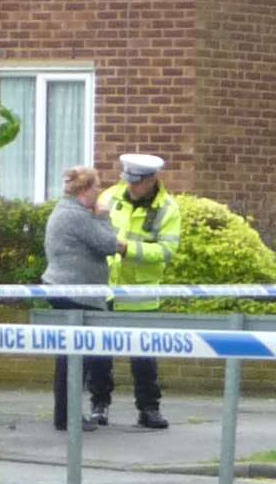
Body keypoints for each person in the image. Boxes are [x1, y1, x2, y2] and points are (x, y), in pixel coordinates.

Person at [91, 153, 181, 429]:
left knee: (144, 357)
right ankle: (99, 406)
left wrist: (128, 249)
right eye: (128, 180)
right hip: (106, 289)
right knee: (99, 354)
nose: (131, 187)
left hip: (141, 293)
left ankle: (149, 408)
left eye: (137, 182)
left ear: (152, 180)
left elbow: (167, 251)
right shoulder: (109, 196)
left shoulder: (167, 208)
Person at [40, 166, 127, 432]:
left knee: (70, 357)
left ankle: (66, 415)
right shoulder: (77, 216)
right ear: (85, 190)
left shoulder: (68, 211)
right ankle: (68, 417)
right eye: (97, 187)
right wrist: (103, 217)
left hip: (68, 290)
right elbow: (108, 244)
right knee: (75, 359)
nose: (100, 192)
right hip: (74, 293)